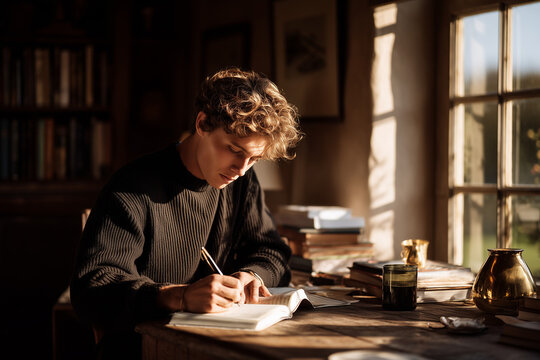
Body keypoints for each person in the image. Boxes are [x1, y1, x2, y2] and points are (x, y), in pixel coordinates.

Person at [70, 68, 302, 358]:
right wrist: (177, 296)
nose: (241, 169)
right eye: (233, 150)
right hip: (141, 349)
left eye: (254, 159)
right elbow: (91, 290)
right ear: (203, 124)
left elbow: (272, 251)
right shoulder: (132, 187)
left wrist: (252, 274)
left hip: (214, 344)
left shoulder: (242, 183)